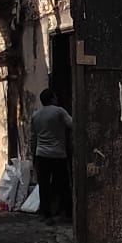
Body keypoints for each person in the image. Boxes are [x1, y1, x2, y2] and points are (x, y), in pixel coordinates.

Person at [30, 89, 73, 221]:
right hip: (58, 154)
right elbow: (72, 125)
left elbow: (33, 137)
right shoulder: (59, 111)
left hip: (41, 154)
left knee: (44, 185)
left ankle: (46, 214)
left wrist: (33, 155)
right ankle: (68, 213)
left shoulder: (36, 115)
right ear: (53, 98)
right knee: (64, 184)